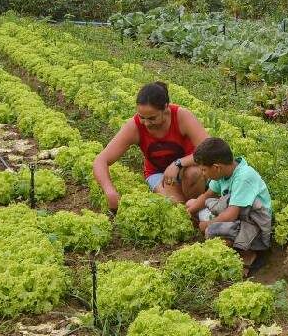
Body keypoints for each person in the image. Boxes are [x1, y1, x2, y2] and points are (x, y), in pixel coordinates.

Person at [92, 81, 211, 211]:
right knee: (175, 205)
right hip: (158, 173)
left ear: (165, 107)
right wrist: (109, 190)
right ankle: (193, 210)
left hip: (187, 168)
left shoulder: (181, 116)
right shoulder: (134, 126)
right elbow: (101, 160)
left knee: (194, 174)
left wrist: (177, 164)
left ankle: (196, 209)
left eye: (152, 118)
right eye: (142, 117)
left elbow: (209, 150)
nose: (146, 123)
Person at [185, 137, 273, 275]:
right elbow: (207, 195)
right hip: (235, 215)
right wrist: (189, 211)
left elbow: (231, 215)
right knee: (191, 203)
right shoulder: (223, 173)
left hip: (254, 224)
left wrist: (207, 224)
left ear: (216, 167)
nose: (202, 174)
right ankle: (229, 239)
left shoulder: (244, 177)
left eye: (203, 170)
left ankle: (249, 254)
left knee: (211, 231)